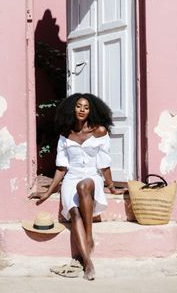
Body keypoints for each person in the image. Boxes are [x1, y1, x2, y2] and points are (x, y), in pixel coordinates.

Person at [29, 93, 126, 280]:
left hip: (91, 177)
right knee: (74, 213)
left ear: (91, 111)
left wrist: (112, 188)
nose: (82, 110)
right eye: (79, 106)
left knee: (83, 186)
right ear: (72, 109)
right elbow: (61, 167)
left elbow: (104, 164)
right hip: (71, 177)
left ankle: (89, 235)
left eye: (86, 107)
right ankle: (88, 262)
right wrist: (49, 192)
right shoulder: (66, 134)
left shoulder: (99, 131)